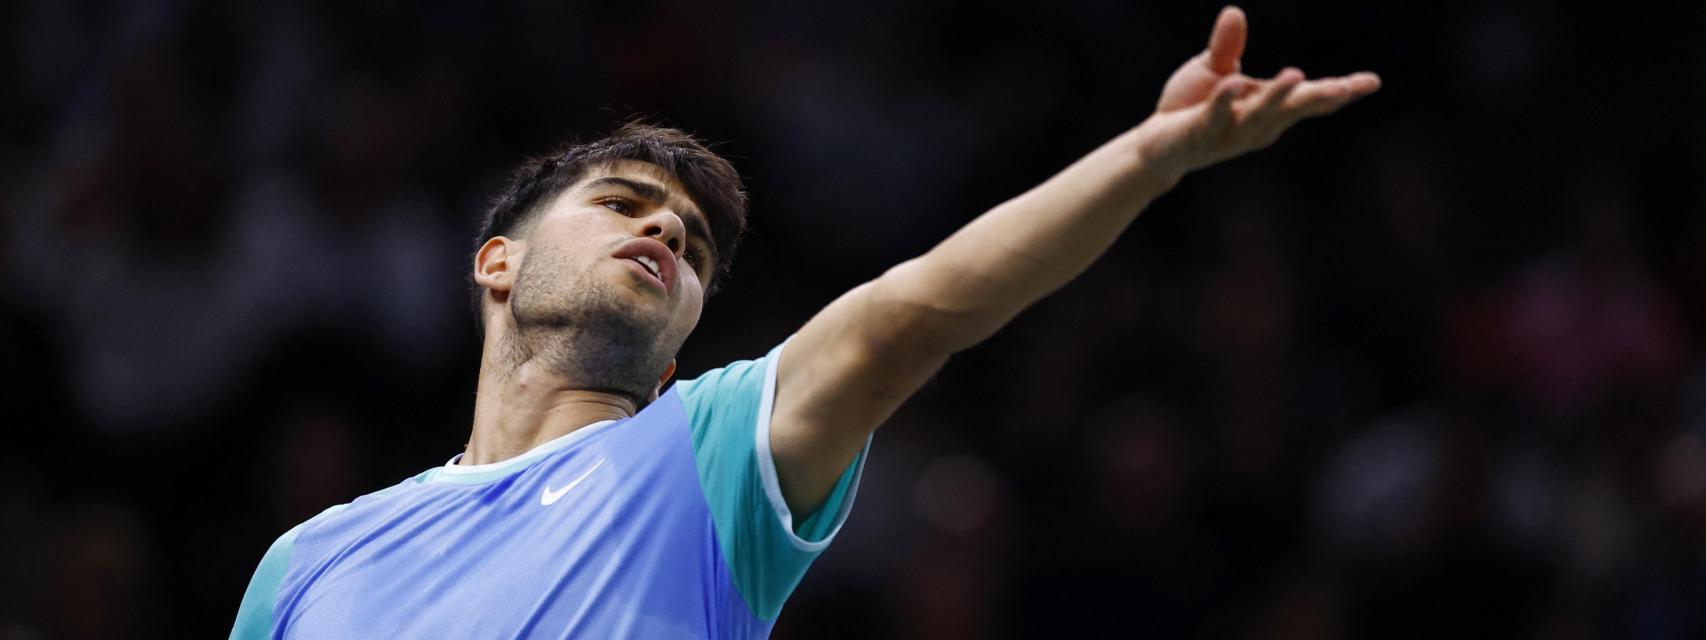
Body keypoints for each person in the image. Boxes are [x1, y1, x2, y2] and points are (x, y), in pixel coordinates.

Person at [231, 7, 1379, 638]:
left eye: (692, 245)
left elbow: (908, 316)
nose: (667, 232)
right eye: (623, 205)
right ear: (498, 262)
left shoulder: (706, 452)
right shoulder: (308, 563)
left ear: (675, 356)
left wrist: (1148, 158)